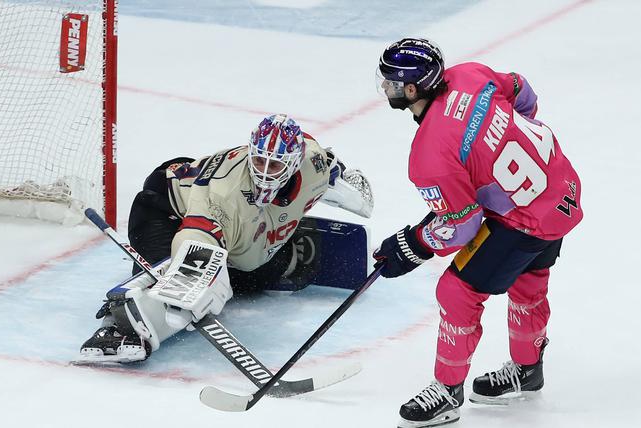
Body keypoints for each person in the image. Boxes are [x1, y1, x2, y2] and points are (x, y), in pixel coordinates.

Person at [371, 38, 583, 427]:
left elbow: (463, 225)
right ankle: (527, 368)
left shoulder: (428, 155)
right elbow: (523, 91)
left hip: (527, 220)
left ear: (413, 88)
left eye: (390, 82)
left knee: (455, 290)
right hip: (561, 188)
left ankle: (448, 393)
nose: (385, 88)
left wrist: (412, 244)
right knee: (529, 280)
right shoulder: (470, 74)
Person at [77, 114, 374, 363]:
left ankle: (282, 250)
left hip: (234, 219)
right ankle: (119, 327)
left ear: (295, 162)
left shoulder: (314, 162)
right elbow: (195, 241)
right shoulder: (222, 194)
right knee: (182, 282)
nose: (265, 173)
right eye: (259, 161)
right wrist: (192, 286)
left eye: (275, 165)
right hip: (167, 208)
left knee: (254, 270)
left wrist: (346, 189)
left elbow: (328, 163)